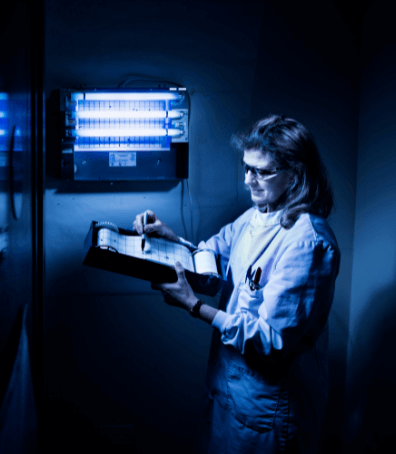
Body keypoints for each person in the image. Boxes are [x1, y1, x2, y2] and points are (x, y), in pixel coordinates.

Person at [133, 115, 340, 453]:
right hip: (230, 390)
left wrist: (195, 307)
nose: (248, 181)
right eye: (246, 168)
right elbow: (212, 261)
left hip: (269, 410)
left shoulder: (309, 244)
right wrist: (170, 239)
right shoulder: (258, 215)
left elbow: (271, 342)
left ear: (296, 174)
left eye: (261, 171)